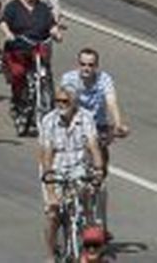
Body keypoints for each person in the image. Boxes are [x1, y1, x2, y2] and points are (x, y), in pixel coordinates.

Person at [39, 84, 104, 263]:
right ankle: (50, 255)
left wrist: (98, 170)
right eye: (57, 101)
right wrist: (51, 191)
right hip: (55, 169)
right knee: (52, 214)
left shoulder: (86, 118)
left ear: (74, 102)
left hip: (78, 167)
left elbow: (93, 146)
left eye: (65, 101)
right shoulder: (49, 120)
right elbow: (46, 155)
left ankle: (88, 234)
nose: (61, 104)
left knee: (86, 197)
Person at [1, 0, 62, 134]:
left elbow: (51, 25)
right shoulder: (13, 7)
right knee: (19, 73)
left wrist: (55, 33)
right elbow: (3, 22)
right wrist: (8, 34)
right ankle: (18, 100)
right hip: (18, 47)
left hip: (37, 46)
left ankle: (45, 99)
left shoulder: (42, 9)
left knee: (44, 70)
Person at [62, 46, 129, 173]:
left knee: (102, 163)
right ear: (78, 65)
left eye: (90, 65)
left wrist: (118, 124)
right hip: (76, 123)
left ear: (96, 66)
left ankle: (97, 186)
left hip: (98, 123)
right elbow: (68, 102)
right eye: (83, 64)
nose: (86, 68)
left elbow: (111, 102)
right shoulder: (69, 78)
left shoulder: (104, 79)